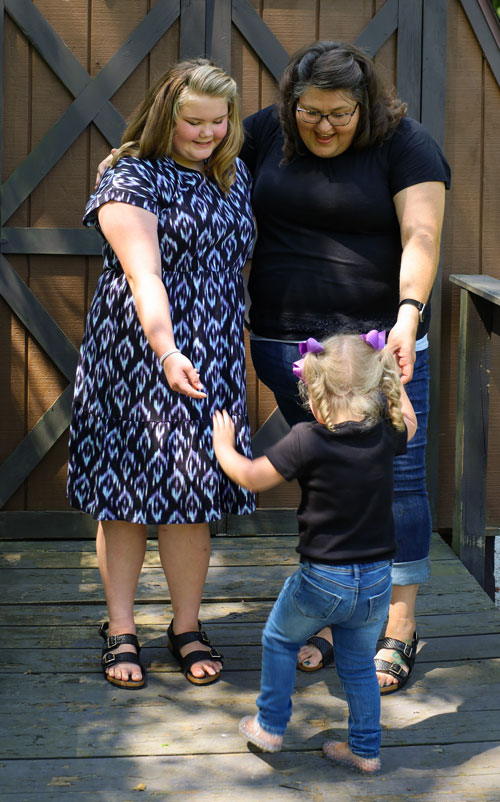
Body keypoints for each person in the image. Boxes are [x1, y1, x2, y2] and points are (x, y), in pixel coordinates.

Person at [239, 40, 451, 692]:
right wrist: (130, 159)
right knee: (329, 484)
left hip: (375, 352)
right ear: (291, 102)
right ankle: (336, 612)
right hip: (287, 349)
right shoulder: (266, 131)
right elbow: (190, 151)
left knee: (398, 484)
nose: (324, 126)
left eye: (339, 114)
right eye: (311, 112)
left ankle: (398, 625)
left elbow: (421, 234)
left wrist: (409, 314)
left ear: (366, 105)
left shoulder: (404, 143)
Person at [67, 58, 256, 689]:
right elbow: (145, 273)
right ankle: (121, 627)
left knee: (191, 495)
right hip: (139, 356)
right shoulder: (129, 177)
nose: (205, 133)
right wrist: (167, 349)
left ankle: (185, 625)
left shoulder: (234, 174)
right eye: (191, 121)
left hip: (215, 357)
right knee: (123, 496)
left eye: (217, 120)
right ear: (163, 116)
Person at [213, 332, 417, 772]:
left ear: (313, 391)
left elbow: (249, 476)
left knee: (280, 638)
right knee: (359, 665)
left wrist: (223, 448)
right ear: (376, 386)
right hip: (378, 579)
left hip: (323, 578)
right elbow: (411, 425)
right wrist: (396, 383)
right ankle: (365, 750)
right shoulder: (387, 433)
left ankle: (269, 725)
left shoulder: (307, 438)